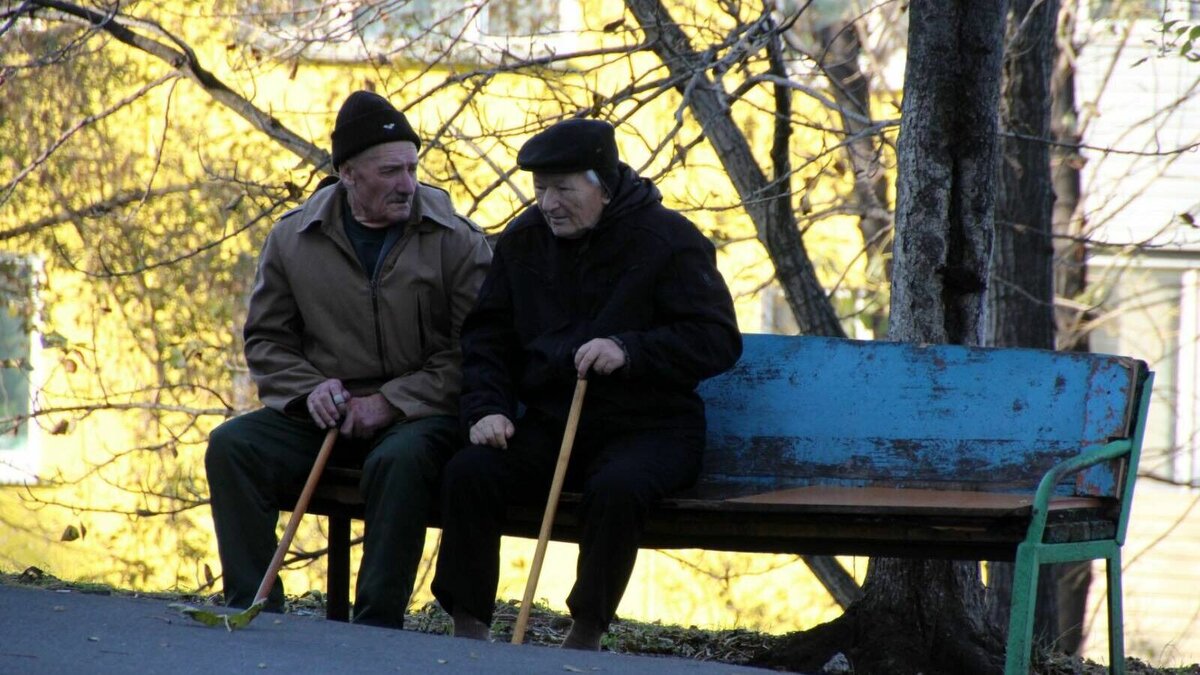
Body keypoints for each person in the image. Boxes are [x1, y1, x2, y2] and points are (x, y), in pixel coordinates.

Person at [431, 118, 742, 649]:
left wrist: (630, 349)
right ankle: (468, 627)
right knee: (471, 471)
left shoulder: (668, 241)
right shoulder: (524, 242)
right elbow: (488, 337)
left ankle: (586, 632)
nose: (548, 203)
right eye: (539, 189)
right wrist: (486, 408)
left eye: (562, 190)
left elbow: (715, 338)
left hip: (652, 428)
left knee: (617, 489)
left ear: (604, 185)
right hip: (553, 424)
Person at [205, 90, 491, 628]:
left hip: (419, 411)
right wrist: (310, 389)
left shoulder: (456, 239)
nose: (407, 184)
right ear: (348, 174)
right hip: (325, 409)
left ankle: (376, 628)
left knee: (397, 462)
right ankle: (253, 607)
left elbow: (477, 351)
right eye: (390, 171)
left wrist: (392, 401)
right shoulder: (293, 238)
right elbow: (267, 340)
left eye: (412, 167)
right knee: (232, 447)